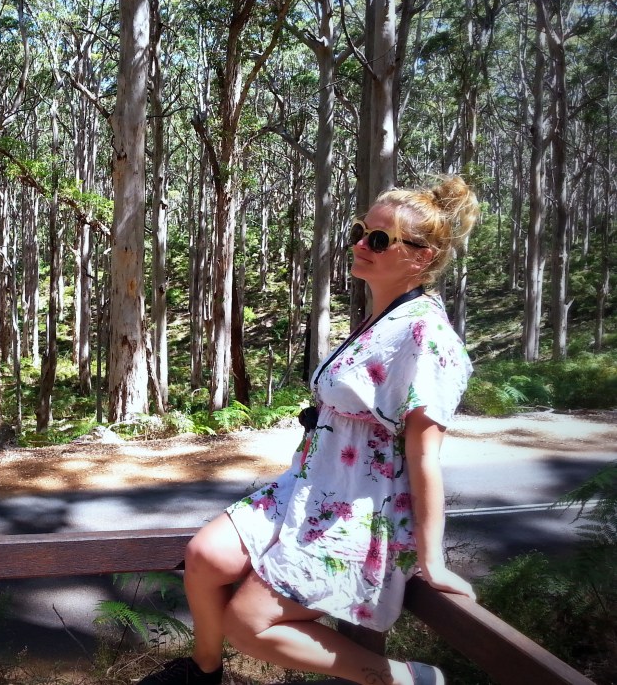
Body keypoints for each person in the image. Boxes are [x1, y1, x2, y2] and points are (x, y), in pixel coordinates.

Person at [137, 175, 480, 685]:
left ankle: (407, 678)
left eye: (379, 239)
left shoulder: (425, 334)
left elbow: (424, 454)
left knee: (249, 624)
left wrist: (431, 561)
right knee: (205, 557)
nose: (361, 243)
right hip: (310, 485)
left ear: (422, 257)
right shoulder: (383, 318)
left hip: (360, 507)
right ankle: (202, 673)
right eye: (361, 230)